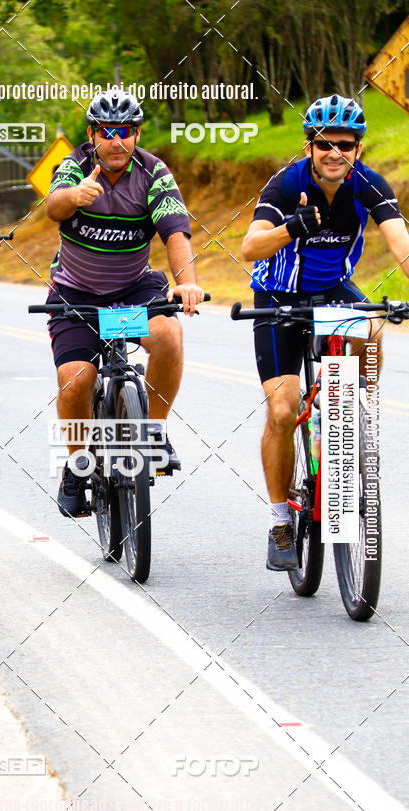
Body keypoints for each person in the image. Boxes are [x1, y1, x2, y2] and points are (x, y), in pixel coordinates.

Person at [241, 94, 409, 570]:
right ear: (309, 145)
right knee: (281, 407)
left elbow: (401, 243)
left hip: (333, 289)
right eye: (324, 143)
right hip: (279, 298)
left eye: (346, 144)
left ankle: (351, 407)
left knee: (373, 324)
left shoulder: (367, 185)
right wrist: (291, 227)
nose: (335, 152)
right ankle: (279, 521)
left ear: (358, 147)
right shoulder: (285, 183)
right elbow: (251, 247)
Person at [45, 89, 205, 518]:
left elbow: (175, 234)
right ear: (92, 134)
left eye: (127, 132)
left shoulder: (153, 172)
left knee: (169, 334)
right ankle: (77, 465)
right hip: (75, 296)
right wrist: (73, 196)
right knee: (76, 380)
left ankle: (153, 432)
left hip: (132, 290)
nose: (118, 142)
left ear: (137, 134)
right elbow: (52, 206)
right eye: (108, 132)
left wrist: (186, 283)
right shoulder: (75, 166)